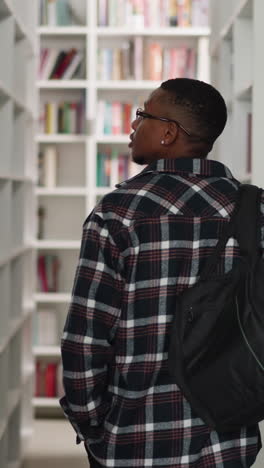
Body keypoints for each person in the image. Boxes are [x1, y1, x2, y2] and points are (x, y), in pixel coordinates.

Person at [60, 78, 262, 467]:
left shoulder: (118, 213)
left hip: (134, 437)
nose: (132, 126)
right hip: (228, 440)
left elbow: (86, 338)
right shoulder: (254, 210)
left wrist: (91, 425)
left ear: (169, 132)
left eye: (142, 115)